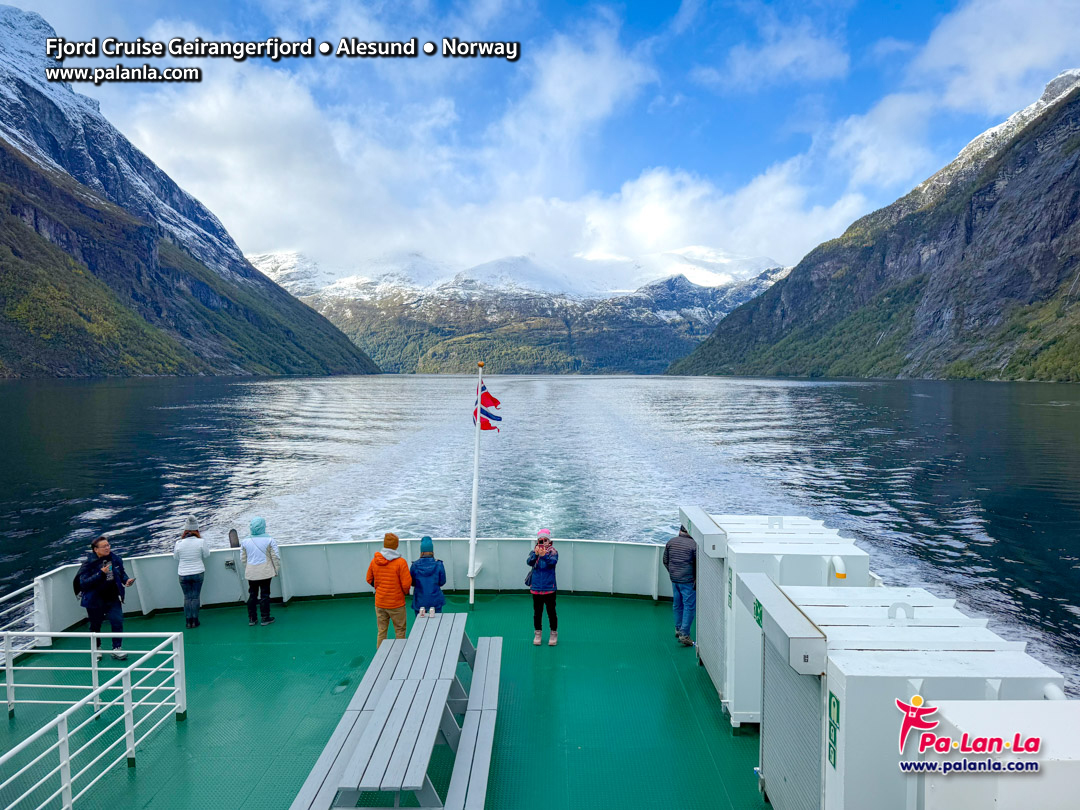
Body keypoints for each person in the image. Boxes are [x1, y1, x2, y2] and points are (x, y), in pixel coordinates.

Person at [78, 536, 135, 660]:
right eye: (104, 546)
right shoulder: (88, 564)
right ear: (95, 549)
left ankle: (117, 648)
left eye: (108, 545)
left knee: (117, 621)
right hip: (95, 600)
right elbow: (84, 583)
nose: (108, 548)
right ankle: (97, 648)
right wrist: (100, 573)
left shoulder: (114, 559)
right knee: (95, 625)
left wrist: (126, 580)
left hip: (112, 597)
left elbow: (121, 572)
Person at [366, 532, 412, 646]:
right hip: (396, 603)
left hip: (380, 602)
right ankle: (399, 654)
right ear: (396, 545)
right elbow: (406, 584)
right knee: (400, 630)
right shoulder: (401, 562)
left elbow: (369, 579)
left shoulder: (374, 561)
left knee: (382, 631)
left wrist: (379, 587)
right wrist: (402, 592)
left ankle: (380, 656)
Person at [241, 517, 280, 627]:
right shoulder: (270, 540)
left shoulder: (245, 541)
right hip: (266, 572)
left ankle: (252, 619)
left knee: (252, 594)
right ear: (263, 526)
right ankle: (265, 617)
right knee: (265, 594)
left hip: (251, 572)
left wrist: (248, 568)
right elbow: (275, 556)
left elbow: (243, 558)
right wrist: (276, 570)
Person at [174, 516, 209, 628]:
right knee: (195, 597)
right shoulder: (201, 542)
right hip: (198, 572)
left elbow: (176, 557)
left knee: (187, 597)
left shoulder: (179, 543)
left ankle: (188, 622)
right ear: (197, 530)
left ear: (185, 531)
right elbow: (206, 555)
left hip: (183, 573)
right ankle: (195, 620)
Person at [664, 525, 697, 646]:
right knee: (689, 606)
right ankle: (684, 634)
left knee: (677, 604)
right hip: (688, 581)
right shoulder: (694, 545)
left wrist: (673, 573)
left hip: (674, 579)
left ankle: (678, 629)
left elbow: (665, 561)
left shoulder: (671, 542)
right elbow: (698, 565)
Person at [526, 529, 559, 646]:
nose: (543, 542)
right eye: (541, 540)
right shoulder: (534, 552)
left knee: (551, 612)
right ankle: (537, 634)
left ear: (549, 541)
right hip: (536, 588)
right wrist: (536, 554)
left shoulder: (553, 552)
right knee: (537, 612)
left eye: (546, 540)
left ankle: (553, 633)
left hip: (549, 587)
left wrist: (544, 555)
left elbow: (552, 563)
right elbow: (529, 562)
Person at [410, 536, 446, 617]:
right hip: (435, 600)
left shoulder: (415, 565)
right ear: (432, 551)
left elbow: (412, 582)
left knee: (420, 623)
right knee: (437, 622)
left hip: (419, 600)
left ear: (421, 551)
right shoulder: (439, 564)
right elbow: (442, 582)